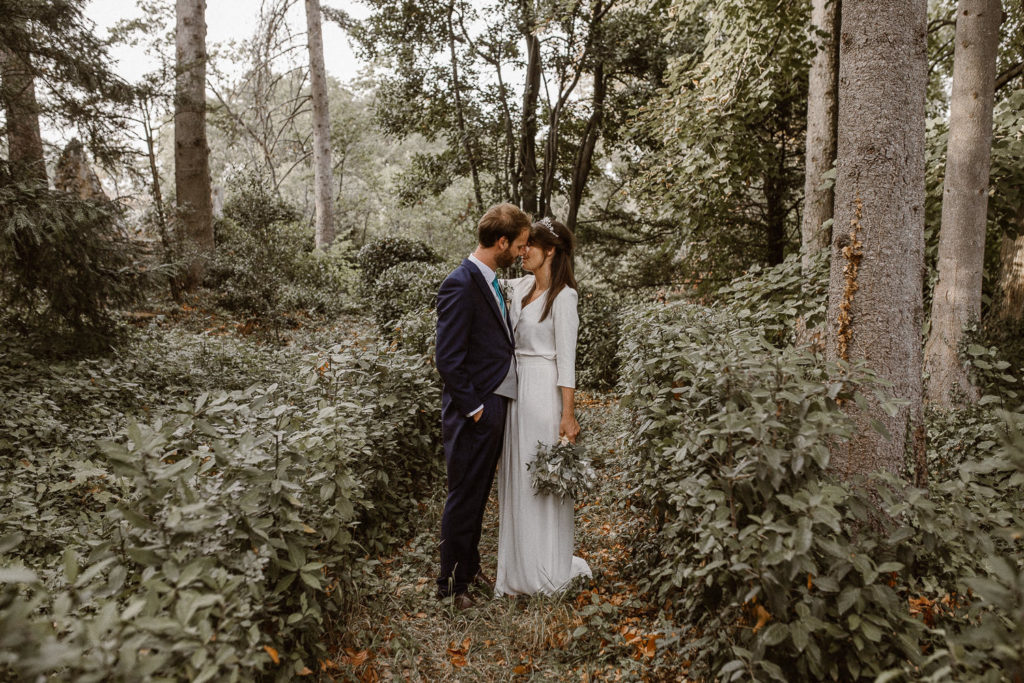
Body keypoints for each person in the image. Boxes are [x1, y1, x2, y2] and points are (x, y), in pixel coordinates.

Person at [434, 203, 531, 609]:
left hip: (492, 404)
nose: (523, 252)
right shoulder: (460, 283)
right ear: (502, 242)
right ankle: (451, 588)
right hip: (473, 410)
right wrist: (475, 409)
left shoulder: (490, 281)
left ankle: (467, 572)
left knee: (476, 495)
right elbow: (448, 358)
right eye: (520, 245)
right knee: (464, 497)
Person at [495, 216, 592, 596]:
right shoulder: (519, 287)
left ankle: (546, 570)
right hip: (516, 393)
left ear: (549, 250)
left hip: (545, 394)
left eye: (529, 245)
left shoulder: (565, 297)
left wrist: (568, 415)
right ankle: (517, 572)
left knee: (543, 482)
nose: (523, 251)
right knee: (517, 479)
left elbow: (566, 362)